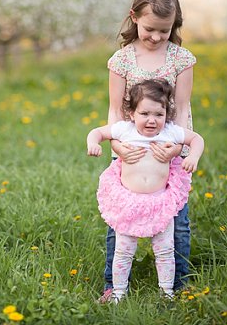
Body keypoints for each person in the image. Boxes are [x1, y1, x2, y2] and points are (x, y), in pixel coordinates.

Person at [100, 0, 197, 303]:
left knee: (176, 219)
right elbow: (116, 108)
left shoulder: (181, 59)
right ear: (134, 18)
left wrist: (176, 150)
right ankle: (112, 285)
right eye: (150, 29)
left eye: (165, 31)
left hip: (168, 147)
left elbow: (181, 108)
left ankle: (178, 285)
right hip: (130, 149)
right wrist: (116, 146)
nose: (156, 37)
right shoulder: (122, 61)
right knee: (121, 218)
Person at [87, 79, 204, 303]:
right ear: (132, 113)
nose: (152, 120)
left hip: (160, 202)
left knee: (165, 250)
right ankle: (119, 292)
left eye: (159, 115)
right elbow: (97, 132)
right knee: (123, 250)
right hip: (129, 203)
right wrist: (93, 144)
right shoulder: (125, 129)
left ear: (166, 115)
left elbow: (196, 138)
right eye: (145, 114)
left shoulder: (170, 132)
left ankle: (166, 292)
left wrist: (193, 156)